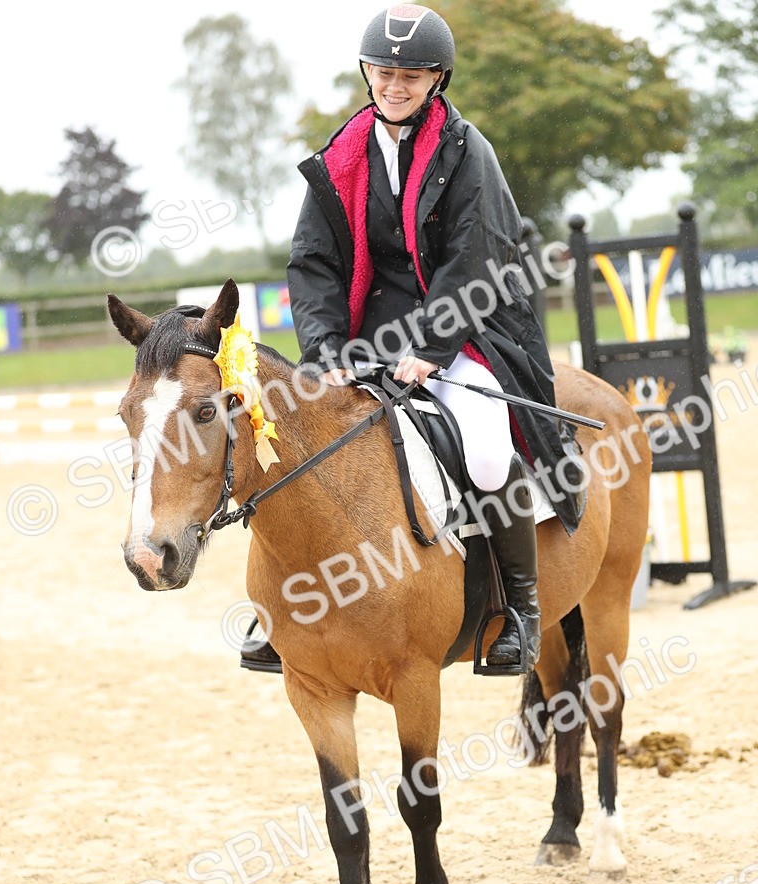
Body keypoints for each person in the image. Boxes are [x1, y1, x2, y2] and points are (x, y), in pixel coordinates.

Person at [241, 4, 583, 675]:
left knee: (484, 451)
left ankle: (519, 610)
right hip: (365, 341)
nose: (395, 83)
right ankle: (279, 610)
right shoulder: (341, 157)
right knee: (293, 442)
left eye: (412, 72)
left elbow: (477, 257)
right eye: (385, 69)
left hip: (467, 330)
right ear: (367, 71)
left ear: (437, 79)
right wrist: (327, 350)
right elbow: (313, 264)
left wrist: (430, 349)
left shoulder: (467, 152)